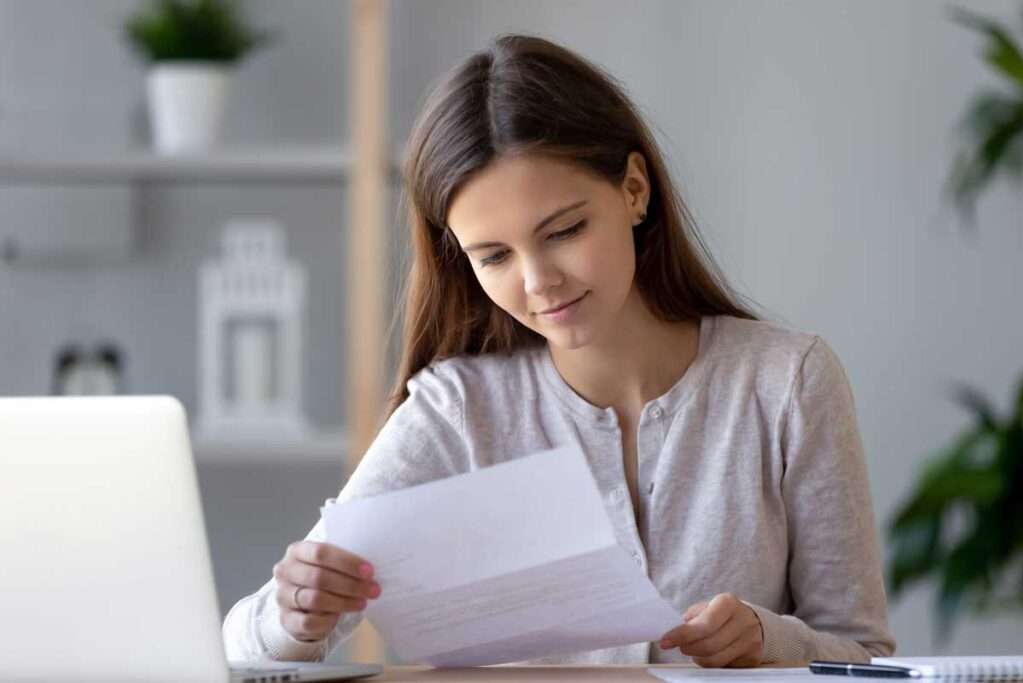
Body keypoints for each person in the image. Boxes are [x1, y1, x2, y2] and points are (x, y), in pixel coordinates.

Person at [222, 34, 896, 667]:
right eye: (494, 256)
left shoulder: (787, 382)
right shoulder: (457, 409)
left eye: (565, 230)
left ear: (634, 189)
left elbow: (867, 654)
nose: (539, 281)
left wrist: (767, 637)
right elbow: (241, 645)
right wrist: (294, 615)